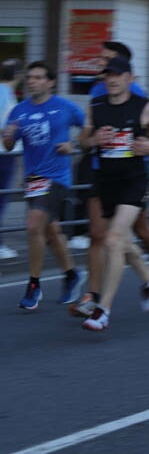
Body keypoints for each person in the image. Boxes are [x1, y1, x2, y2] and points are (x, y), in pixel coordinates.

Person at [72, 41, 149, 318]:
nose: (112, 79)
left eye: (117, 74)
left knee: (114, 239)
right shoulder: (96, 103)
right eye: (108, 74)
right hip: (104, 179)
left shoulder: (142, 104)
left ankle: (102, 310)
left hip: (134, 179)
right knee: (117, 239)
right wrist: (92, 140)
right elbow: (83, 141)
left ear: (129, 78)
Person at [2, 62, 86, 310]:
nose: (32, 81)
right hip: (34, 179)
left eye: (39, 77)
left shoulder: (65, 107)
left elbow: (87, 127)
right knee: (50, 231)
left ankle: (33, 285)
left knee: (33, 225)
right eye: (29, 77)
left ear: (50, 82)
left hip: (58, 177)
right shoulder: (19, 110)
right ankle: (72, 275)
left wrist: (75, 146)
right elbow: (8, 146)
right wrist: (7, 136)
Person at [0, 58, 23, 259]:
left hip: (6, 154)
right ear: (18, 75)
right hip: (3, 155)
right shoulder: (5, 95)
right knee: (1, 199)